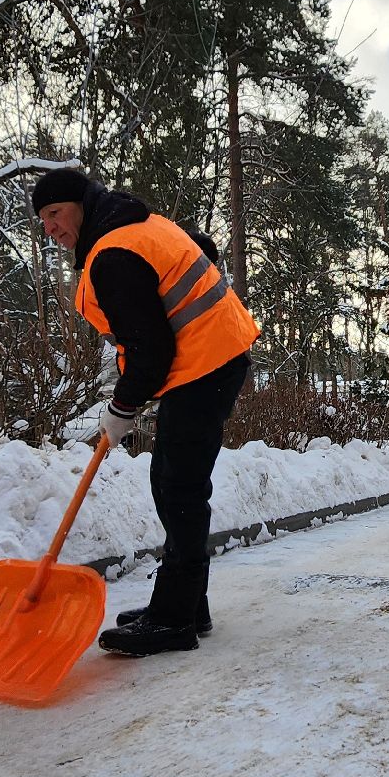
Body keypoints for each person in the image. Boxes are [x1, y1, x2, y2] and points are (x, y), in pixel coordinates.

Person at [31, 167, 259, 657]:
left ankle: (176, 619)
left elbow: (150, 350)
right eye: (42, 221)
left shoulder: (113, 253)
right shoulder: (138, 225)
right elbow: (201, 246)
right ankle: (186, 604)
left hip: (205, 366)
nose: (49, 228)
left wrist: (123, 406)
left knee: (179, 487)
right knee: (174, 482)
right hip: (213, 359)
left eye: (54, 213)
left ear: (81, 203)